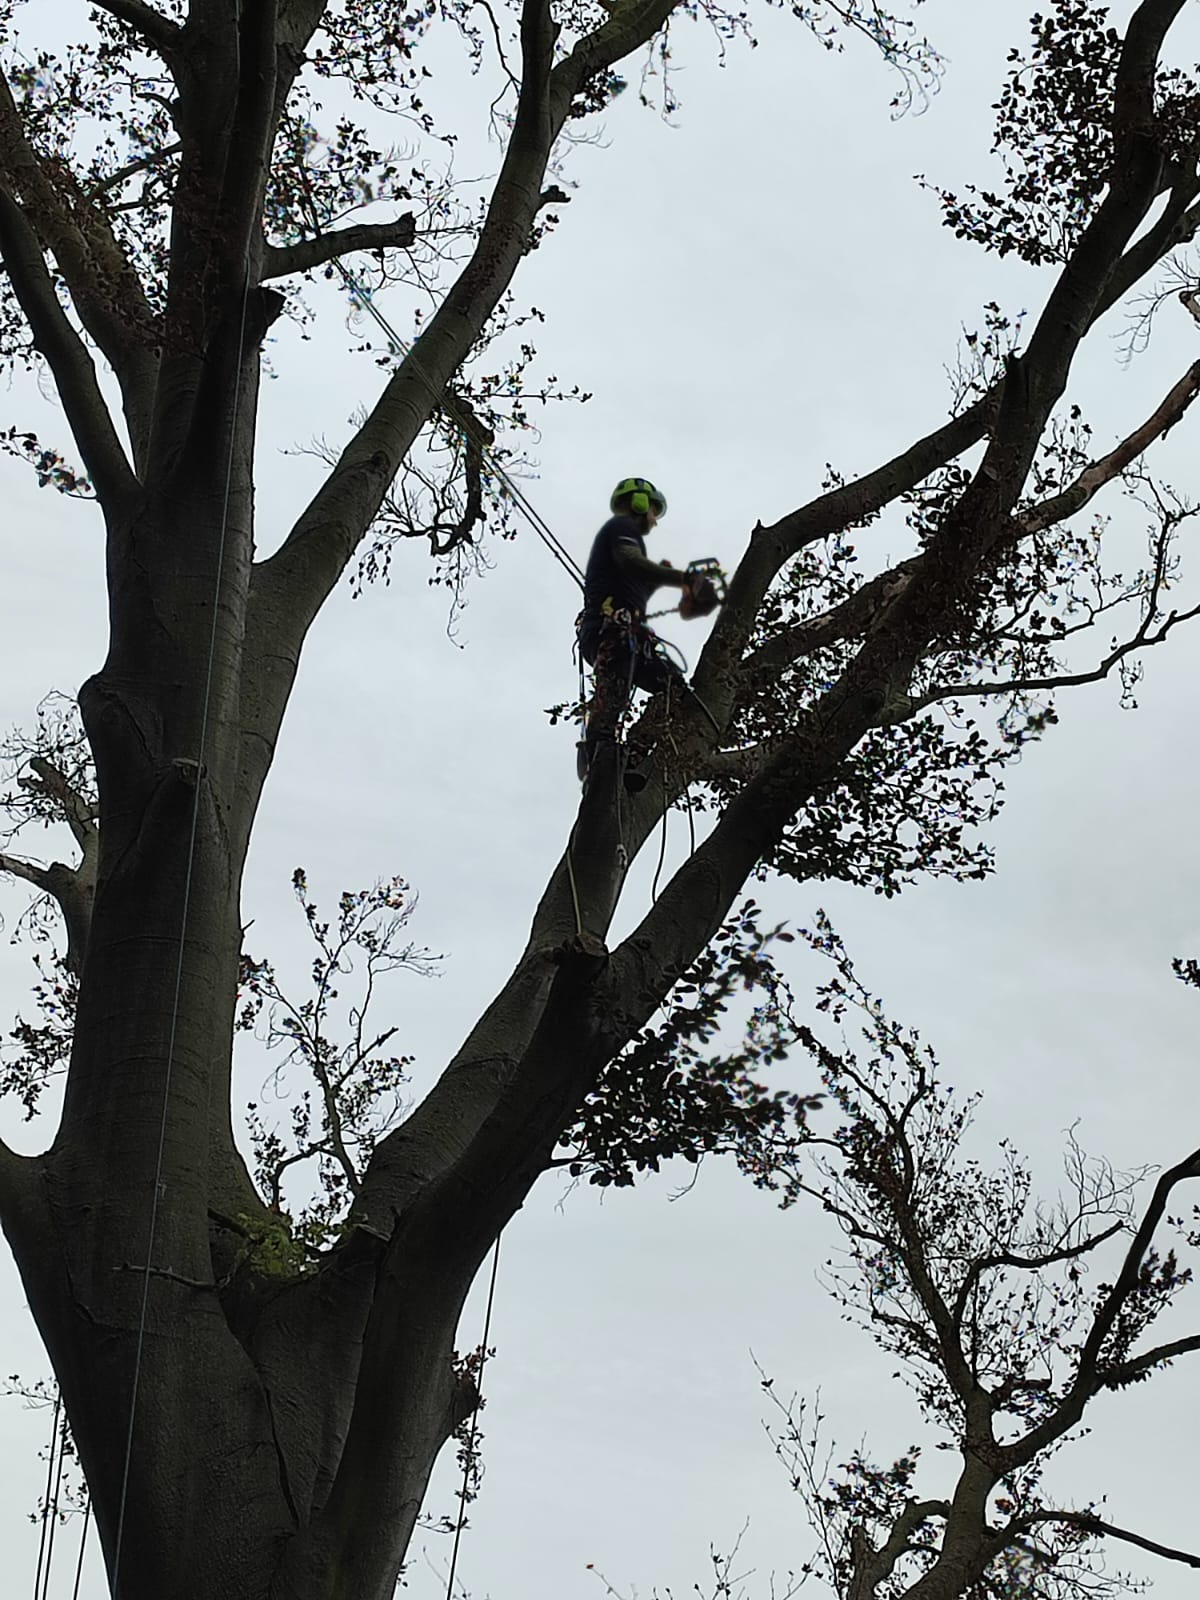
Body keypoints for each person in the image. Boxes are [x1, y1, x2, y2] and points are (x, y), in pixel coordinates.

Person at [576, 477, 719, 784]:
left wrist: (657, 582)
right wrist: (685, 579)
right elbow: (631, 562)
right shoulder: (621, 528)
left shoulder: (624, 540)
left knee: (673, 693)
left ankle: (630, 759)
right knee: (612, 699)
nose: (654, 521)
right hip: (609, 633)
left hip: (629, 637)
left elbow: (633, 582)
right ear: (639, 503)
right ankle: (596, 759)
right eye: (654, 511)